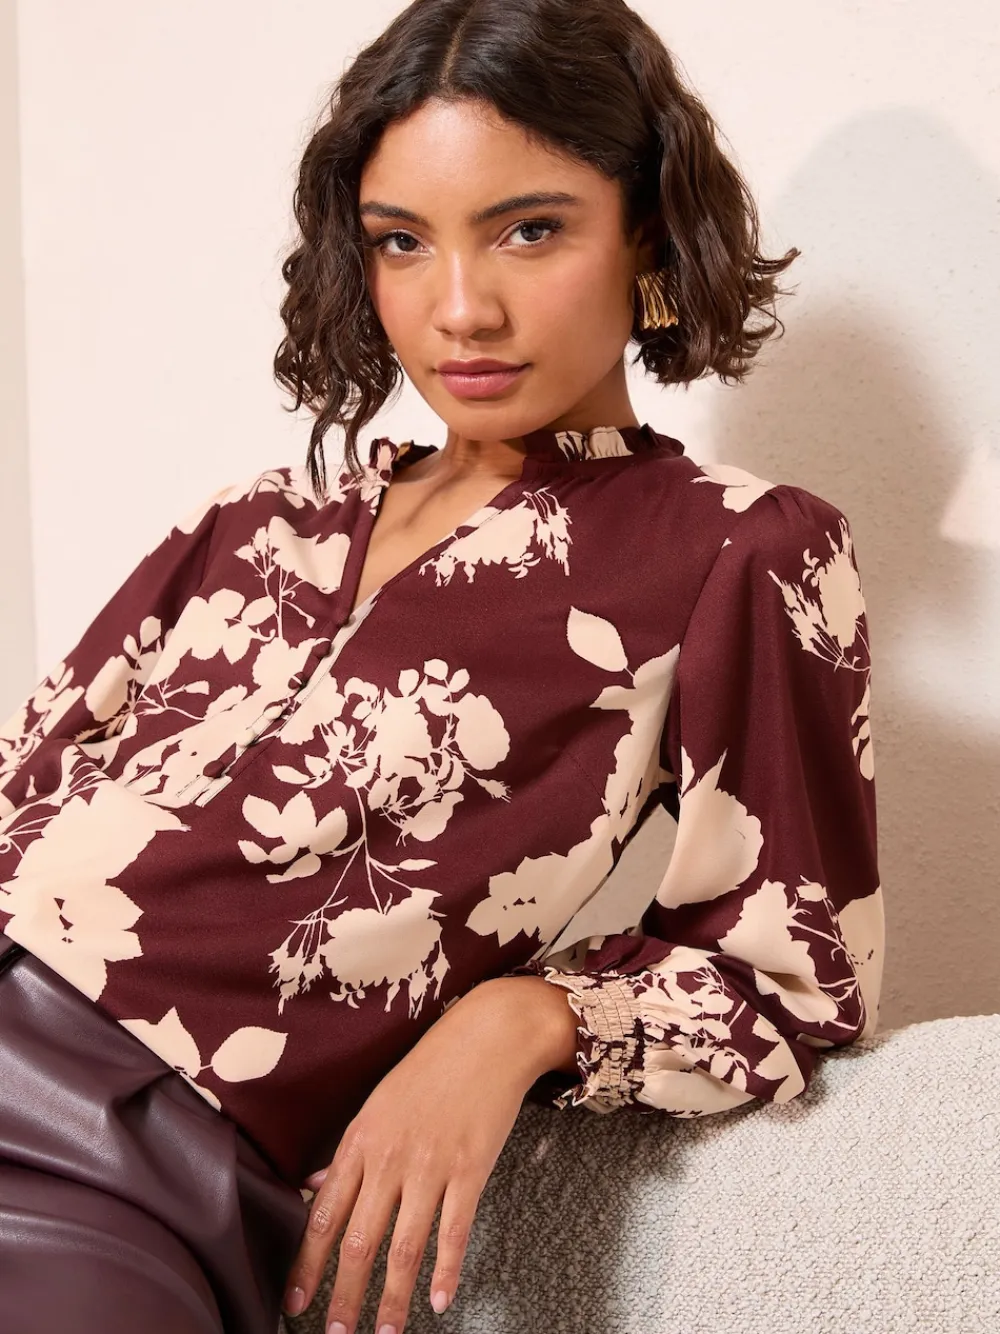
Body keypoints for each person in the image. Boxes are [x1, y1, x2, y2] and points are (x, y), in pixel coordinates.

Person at [0, 0, 884, 1331]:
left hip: (135, 1170)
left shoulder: (738, 550)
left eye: (529, 230)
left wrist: (525, 1018)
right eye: (401, 242)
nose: (461, 309)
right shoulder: (255, 521)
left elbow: (798, 979)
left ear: (647, 231)